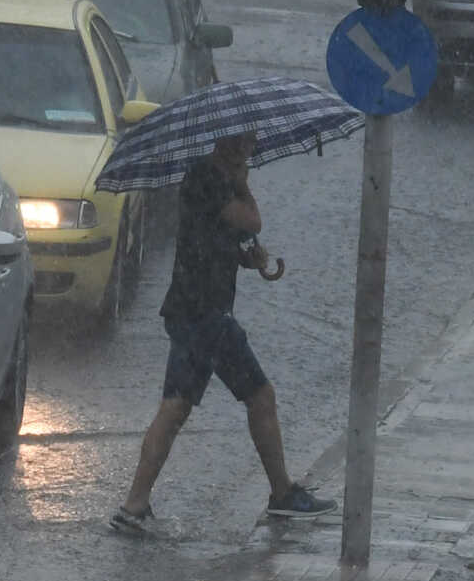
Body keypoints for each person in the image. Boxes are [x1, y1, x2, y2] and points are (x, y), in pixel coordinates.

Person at [109, 131, 337, 534]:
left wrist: (245, 259)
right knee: (258, 395)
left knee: (176, 406)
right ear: (230, 146)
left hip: (195, 311)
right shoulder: (208, 179)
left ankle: (134, 505)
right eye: (245, 145)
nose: (249, 152)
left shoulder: (210, 180)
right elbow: (251, 219)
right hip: (204, 314)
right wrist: (244, 184)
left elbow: (210, 239)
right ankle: (282, 494)